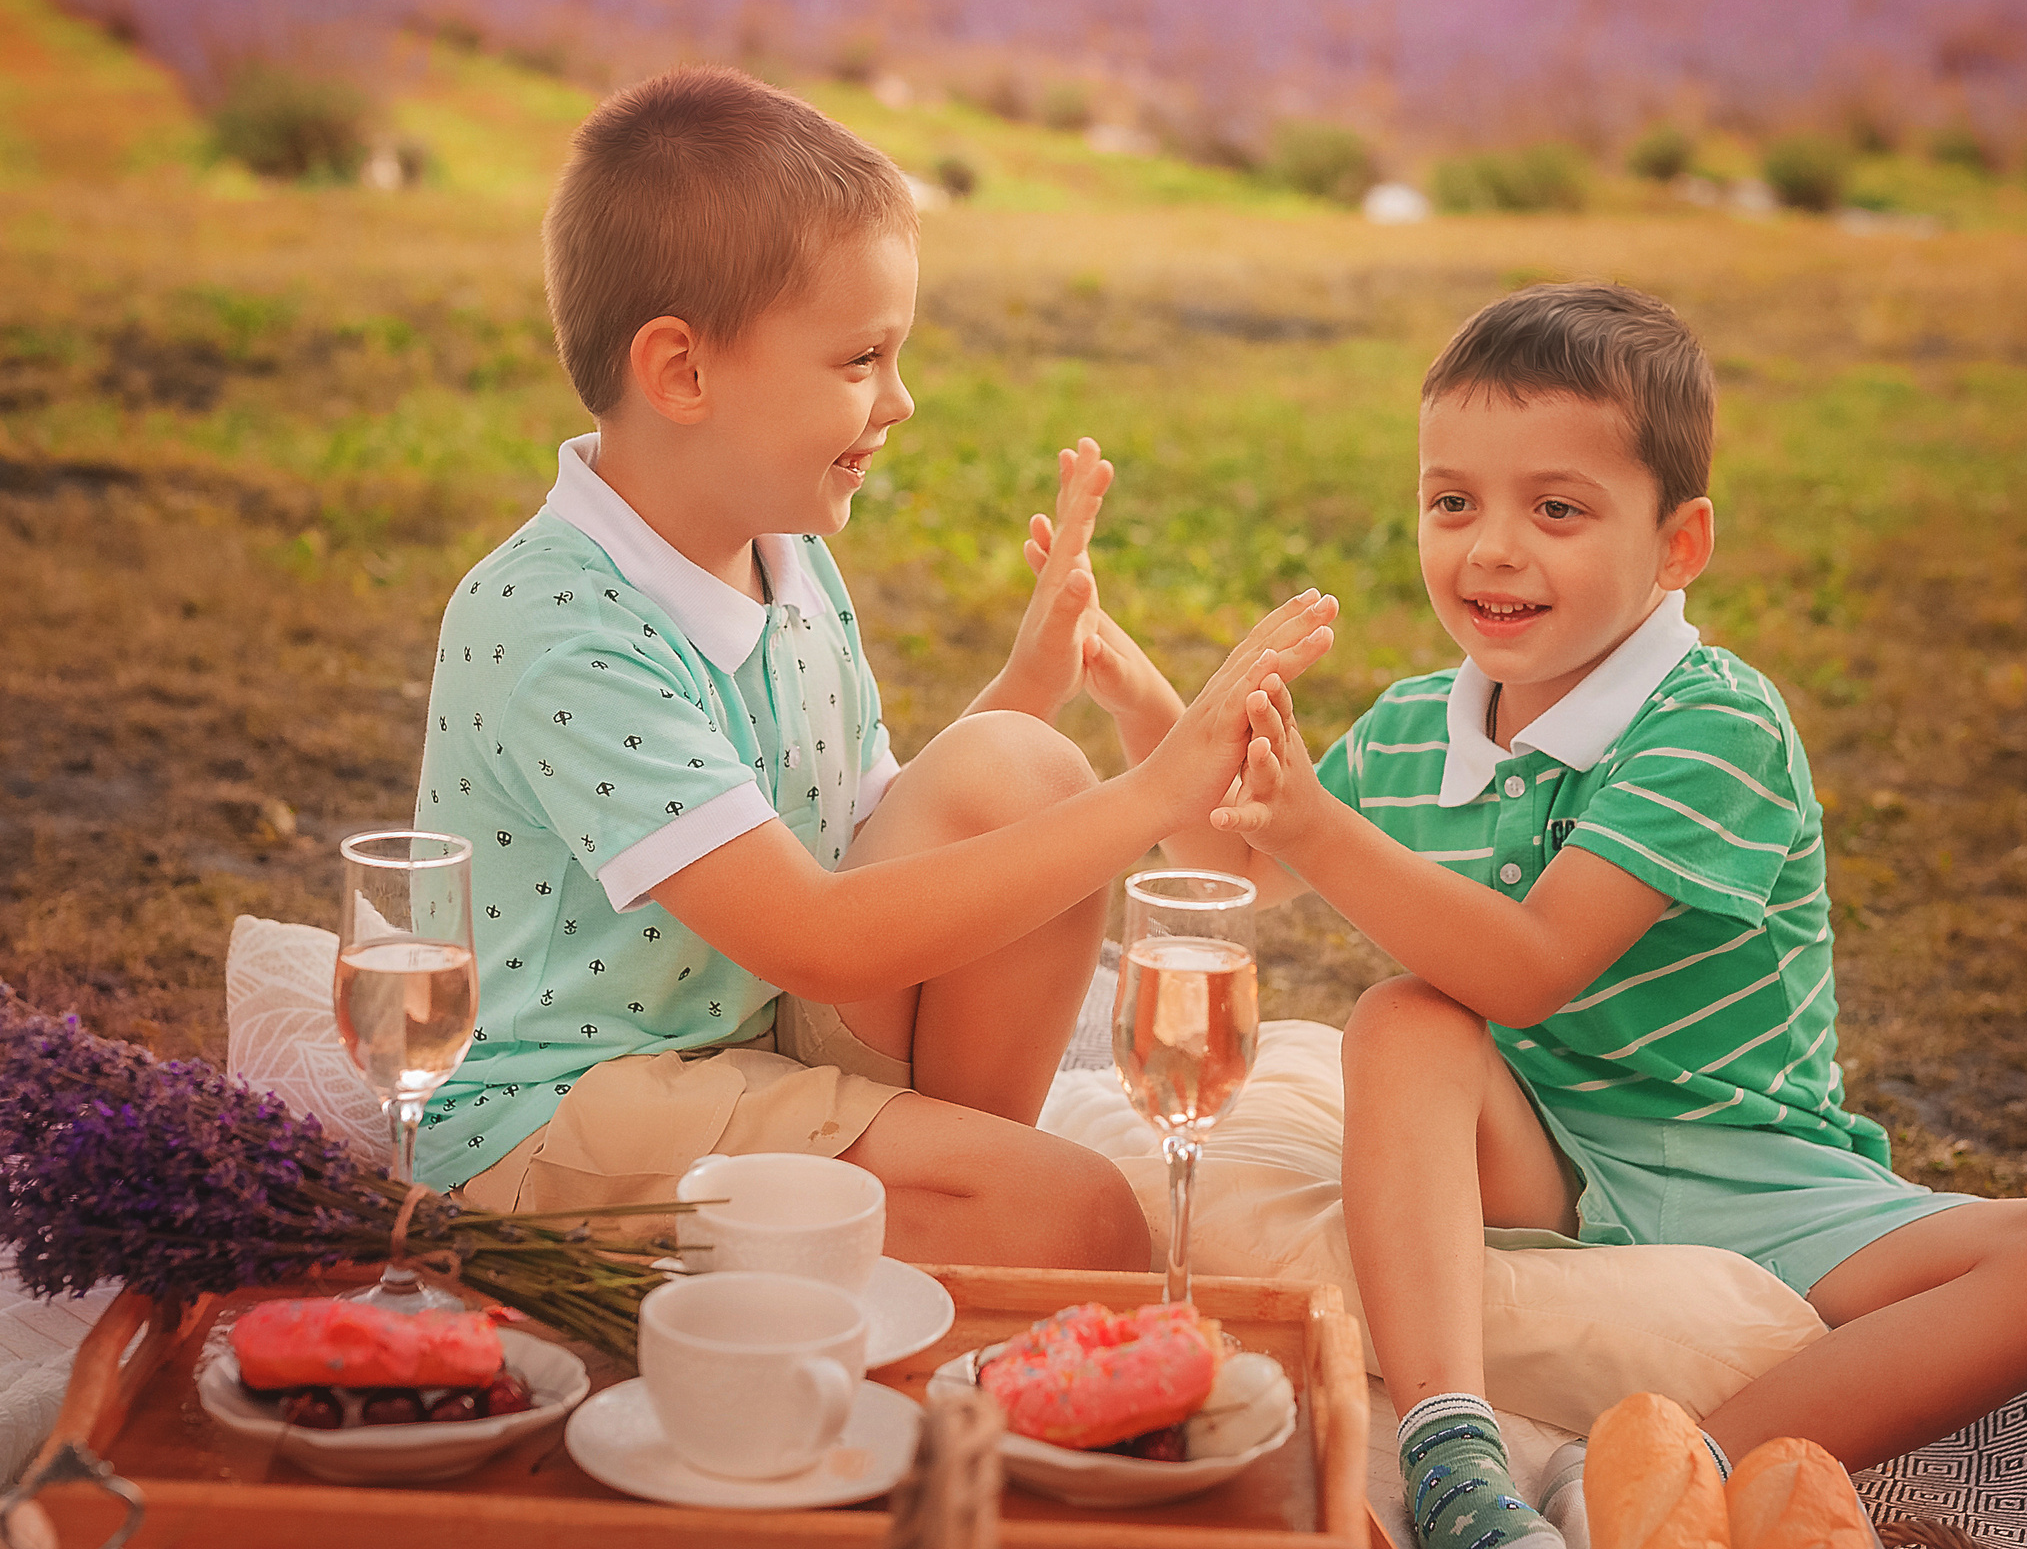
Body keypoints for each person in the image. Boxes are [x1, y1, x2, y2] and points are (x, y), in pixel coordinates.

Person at [1105, 282, 2027, 1548]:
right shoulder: (1427, 722)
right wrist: (1135, 688)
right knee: (1406, 1021)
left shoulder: (1714, 724)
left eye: (1556, 508)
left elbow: (1533, 968)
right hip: (1544, 1141)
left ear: (1678, 545)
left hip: (1748, 1163)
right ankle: (1452, 1454)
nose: (1489, 548)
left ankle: (1652, 1480)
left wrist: (1320, 824)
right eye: (1452, 502)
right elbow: (1237, 858)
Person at [410, 66, 1336, 1272]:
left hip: (753, 1036)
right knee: (1079, 1221)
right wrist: (1154, 800)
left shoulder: (783, 557)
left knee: (1016, 766)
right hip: (571, 1110)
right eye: (859, 359)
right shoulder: (557, 625)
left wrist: (1027, 693)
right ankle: (967, 1212)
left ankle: (957, 1178)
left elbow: (871, 836)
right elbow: (818, 937)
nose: (900, 402)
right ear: (682, 373)